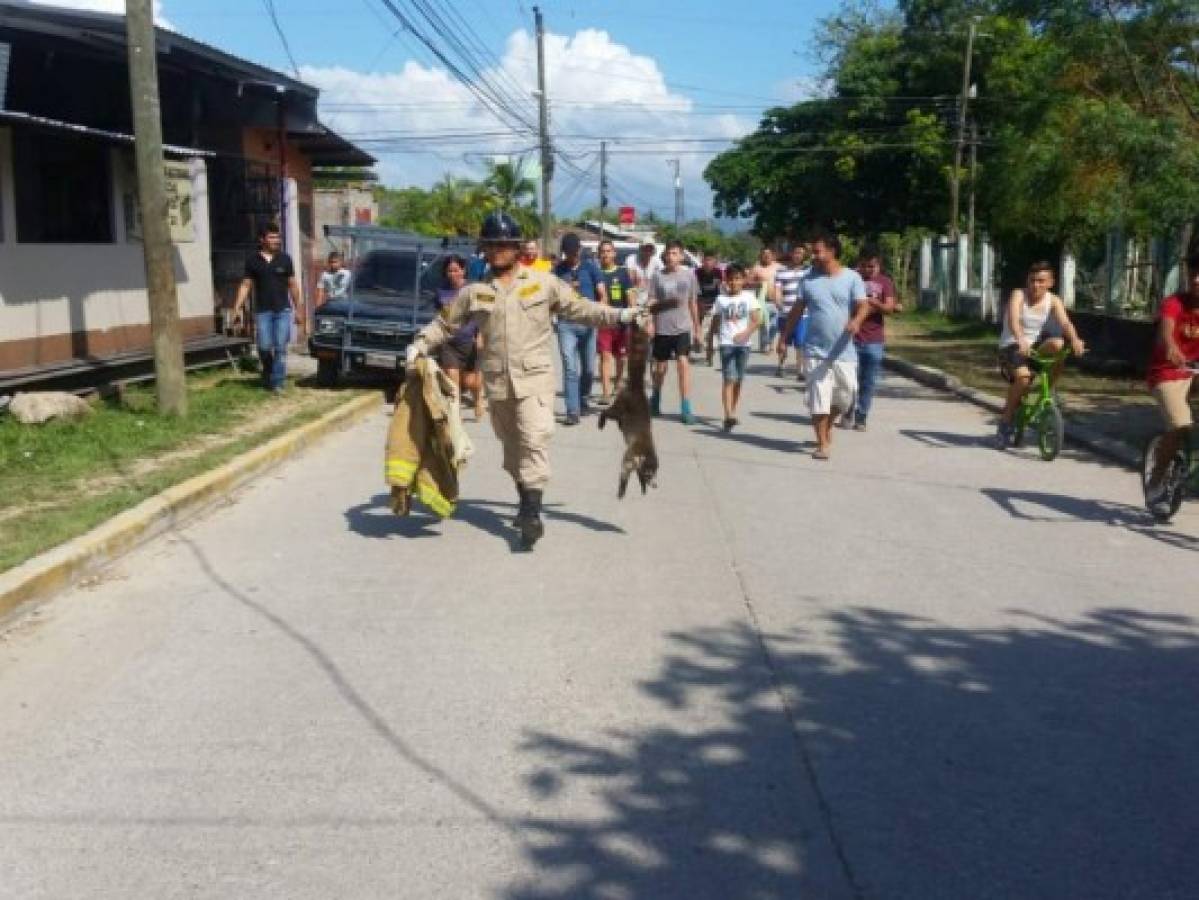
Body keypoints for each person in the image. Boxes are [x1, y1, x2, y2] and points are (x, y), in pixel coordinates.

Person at [407, 212, 644, 550]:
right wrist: (417, 344)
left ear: (517, 248)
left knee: (534, 438)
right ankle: (524, 499)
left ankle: (532, 514)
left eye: (505, 244)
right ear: (484, 250)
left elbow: (581, 309)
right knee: (513, 447)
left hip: (535, 380)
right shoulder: (475, 293)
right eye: (492, 245)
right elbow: (444, 325)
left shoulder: (542, 283)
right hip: (498, 384)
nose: (498, 251)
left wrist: (622, 315)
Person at [779, 233, 871, 460]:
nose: (814, 256)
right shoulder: (808, 280)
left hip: (844, 351)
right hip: (815, 351)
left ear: (832, 251)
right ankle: (822, 444)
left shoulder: (852, 278)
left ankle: (827, 425)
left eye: (818, 251)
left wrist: (856, 321)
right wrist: (783, 338)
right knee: (819, 399)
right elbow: (796, 311)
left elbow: (864, 306)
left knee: (846, 397)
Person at [995, 261, 1086, 448]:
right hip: (1012, 346)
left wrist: (1075, 339)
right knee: (1023, 378)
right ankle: (1005, 422)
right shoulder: (1018, 295)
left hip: (1034, 347)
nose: (1035, 285)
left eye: (1041, 281)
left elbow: (1066, 324)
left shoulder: (1053, 300)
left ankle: (1048, 392)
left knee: (1059, 344)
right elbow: (1013, 320)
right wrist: (1020, 338)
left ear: (1050, 283)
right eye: (1032, 280)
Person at [1145, 254, 1199, 498]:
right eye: (1193, 274)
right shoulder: (1174, 303)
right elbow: (1166, 331)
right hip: (1167, 372)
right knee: (1180, 425)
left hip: (1194, 371)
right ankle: (1156, 479)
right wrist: (1171, 347)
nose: (1197, 280)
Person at [232, 224, 302, 393]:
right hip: (263, 311)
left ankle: (277, 383)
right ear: (262, 239)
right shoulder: (253, 261)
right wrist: (236, 307)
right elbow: (246, 285)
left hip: (283, 310)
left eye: (277, 237)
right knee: (263, 347)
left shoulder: (285, 259)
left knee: (280, 347)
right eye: (272, 237)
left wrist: (298, 309)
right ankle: (268, 372)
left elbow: (292, 285)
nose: (276, 241)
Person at [553, 233, 607, 425]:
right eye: (567, 253)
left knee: (589, 369)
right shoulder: (557, 271)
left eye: (573, 252)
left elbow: (602, 292)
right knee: (570, 368)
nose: (570, 256)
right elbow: (551, 296)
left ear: (579, 250)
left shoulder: (590, 268)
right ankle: (572, 411)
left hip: (588, 323)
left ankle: (583, 399)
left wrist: (601, 311)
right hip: (566, 324)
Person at [648, 240, 702, 424]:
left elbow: (693, 303)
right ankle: (655, 396)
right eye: (668, 253)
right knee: (660, 368)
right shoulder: (657, 277)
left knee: (683, 363)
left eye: (675, 253)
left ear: (681, 256)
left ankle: (686, 406)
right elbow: (652, 301)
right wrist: (650, 324)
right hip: (663, 327)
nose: (671, 257)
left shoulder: (689, 276)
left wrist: (697, 329)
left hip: (682, 327)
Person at [708, 263, 761, 432]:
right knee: (729, 378)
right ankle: (728, 414)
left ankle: (733, 410)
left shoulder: (749, 297)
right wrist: (710, 341)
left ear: (743, 280)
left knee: (738, 380)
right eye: (730, 279)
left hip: (743, 345)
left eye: (737, 279)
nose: (734, 282)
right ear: (725, 281)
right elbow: (715, 322)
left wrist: (746, 334)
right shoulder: (721, 299)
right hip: (726, 344)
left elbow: (756, 320)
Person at [849, 250, 898, 430]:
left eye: (872, 266)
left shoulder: (885, 282)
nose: (868, 270)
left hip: (874, 339)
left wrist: (876, 304)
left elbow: (890, 307)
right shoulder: (851, 278)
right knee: (849, 380)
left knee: (868, 381)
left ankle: (861, 416)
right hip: (851, 337)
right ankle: (847, 410)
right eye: (864, 265)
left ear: (879, 266)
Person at [435, 255, 485, 420]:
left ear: (463, 270)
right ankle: (455, 413)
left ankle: (478, 400)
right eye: (449, 271)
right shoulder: (441, 291)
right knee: (451, 379)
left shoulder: (473, 289)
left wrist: (480, 335)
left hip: (469, 342)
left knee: (472, 383)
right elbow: (438, 316)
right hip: (448, 342)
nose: (453, 274)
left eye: (456, 270)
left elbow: (483, 314)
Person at [596, 239, 635, 406]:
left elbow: (631, 296)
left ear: (614, 253)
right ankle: (605, 392)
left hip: (622, 321)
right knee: (605, 356)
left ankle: (618, 384)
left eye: (608, 251)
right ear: (599, 254)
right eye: (603, 251)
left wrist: (633, 314)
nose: (605, 254)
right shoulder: (596, 273)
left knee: (622, 358)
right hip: (604, 322)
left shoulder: (623, 273)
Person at [774, 244, 809, 377]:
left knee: (800, 342)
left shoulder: (809, 271)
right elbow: (777, 289)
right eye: (796, 252)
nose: (798, 255)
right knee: (784, 340)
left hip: (803, 314)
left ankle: (800, 370)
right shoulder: (782, 271)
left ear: (804, 256)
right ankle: (781, 366)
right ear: (791, 254)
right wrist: (778, 301)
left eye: (800, 253)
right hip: (785, 312)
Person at [749, 247, 781, 353]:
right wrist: (758, 283)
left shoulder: (779, 267)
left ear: (773, 255)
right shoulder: (757, 268)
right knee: (763, 325)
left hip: (776, 301)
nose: (767, 256)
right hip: (762, 301)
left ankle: (770, 341)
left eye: (769, 254)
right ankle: (765, 345)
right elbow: (748, 282)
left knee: (775, 325)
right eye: (764, 254)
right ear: (761, 256)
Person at [695, 250, 723, 365]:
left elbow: (721, 287)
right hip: (700, 302)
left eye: (711, 260)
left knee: (713, 330)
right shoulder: (697, 272)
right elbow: (694, 288)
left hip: (714, 302)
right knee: (700, 327)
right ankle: (698, 340)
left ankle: (709, 353)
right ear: (702, 261)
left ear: (715, 262)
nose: (708, 263)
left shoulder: (718, 272)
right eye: (706, 260)